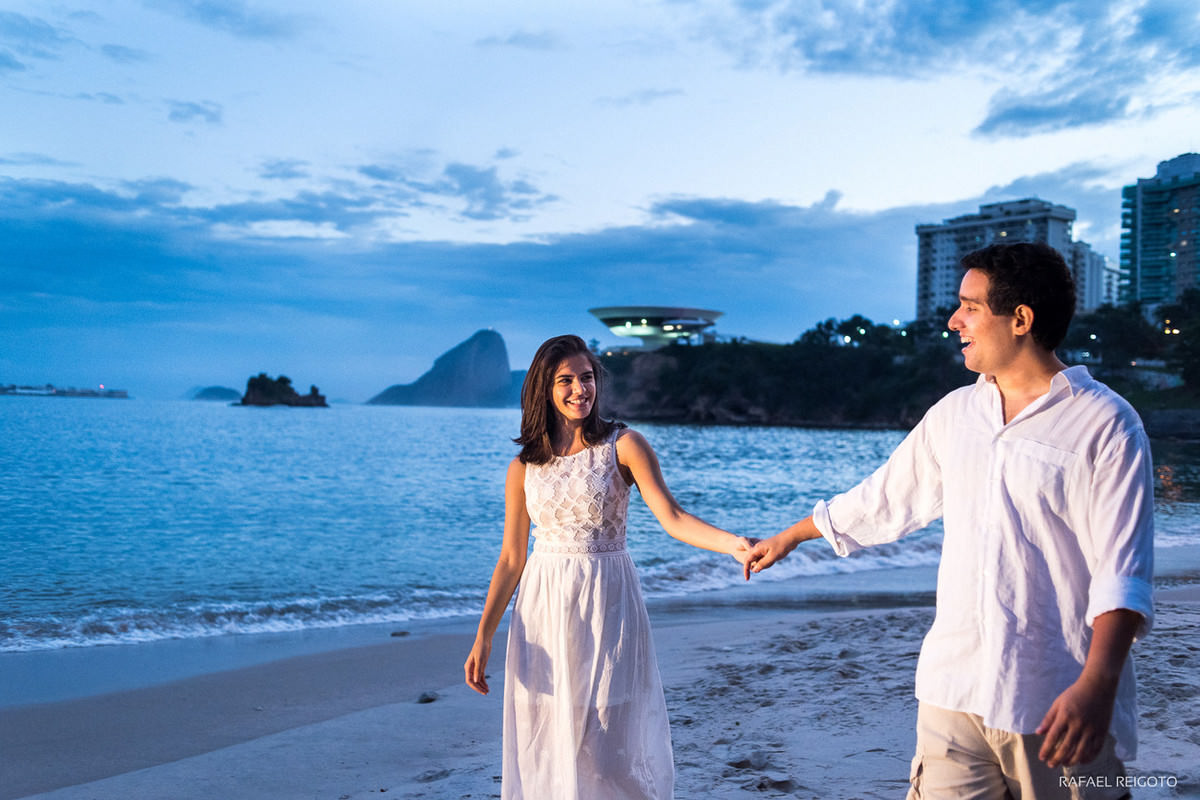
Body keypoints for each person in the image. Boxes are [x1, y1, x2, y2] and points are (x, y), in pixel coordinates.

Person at [745, 242, 1154, 799]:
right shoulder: (956, 413)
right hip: (953, 685)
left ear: (1021, 320)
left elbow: (1121, 572)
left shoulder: (1106, 425)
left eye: (969, 305)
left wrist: (1098, 684)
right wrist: (792, 535)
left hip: (1055, 693)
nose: (953, 319)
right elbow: (883, 498)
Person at [465, 334, 752, 800]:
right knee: (548, 744)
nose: (580, 389)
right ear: (544, 388)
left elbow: (674, 518)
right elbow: (512, 558)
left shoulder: (624, 445)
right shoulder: (523, 468)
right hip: (543, 612)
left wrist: (733, 545)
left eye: (587, 377)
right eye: (566, 380)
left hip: (607, 605)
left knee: (605, 749)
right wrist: (483, 636)